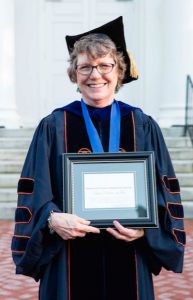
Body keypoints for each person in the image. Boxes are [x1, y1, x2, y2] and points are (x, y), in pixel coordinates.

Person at [11, 16, 185, 300]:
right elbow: (34, 189)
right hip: (68, 255)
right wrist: (51, 219)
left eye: (105, 66)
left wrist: (145, 231)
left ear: (119, 73)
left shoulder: (142, 124)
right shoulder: (54, 126)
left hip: (129, 253)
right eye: (85, 67)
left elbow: (163, 191)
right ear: (74, 75)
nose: (95, 75)